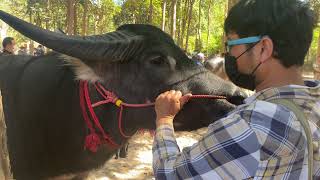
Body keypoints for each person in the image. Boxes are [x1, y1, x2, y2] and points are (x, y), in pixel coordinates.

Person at [152, 0, 320, 179]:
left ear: (263, 48)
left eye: (231, 44)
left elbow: (168, 174)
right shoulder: (315, 104)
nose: (229, 54)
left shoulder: (250, 124)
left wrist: (164, 119)